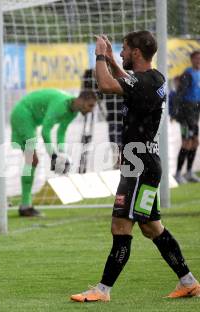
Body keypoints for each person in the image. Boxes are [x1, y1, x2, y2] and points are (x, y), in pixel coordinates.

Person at [70, 31, 200, 303]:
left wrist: (99, 55)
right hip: (145, 163)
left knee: (120, 225)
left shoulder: (141, 83)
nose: (121, 54)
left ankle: (103, 290)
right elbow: (126, 78)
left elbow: (105, 84)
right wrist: (111, 59)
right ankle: (188, 281)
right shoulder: (156, 78)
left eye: (125, 50)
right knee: (152, 227)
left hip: (139, 167)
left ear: (137, 53)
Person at [10, 89, 97, 217]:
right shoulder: (60, 105)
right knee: (32, 160)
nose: (91, 110)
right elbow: (45, 131)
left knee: (32, 161)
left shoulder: (73, 112)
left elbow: (61, 132)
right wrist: (54, 156)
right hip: (23, 114)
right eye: (90, 105)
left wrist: (62, 154)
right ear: (81, 100)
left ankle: (25, 205)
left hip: (31, 119)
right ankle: (25, 206)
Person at [174, 51, 200, 184]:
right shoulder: (188, 74)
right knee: (186, 142)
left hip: (194, 114)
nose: (198, 61)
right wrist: (177, 113)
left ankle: (189, 172)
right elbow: (180, 94)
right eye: (196, 59)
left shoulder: (199, 74)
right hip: (185, 114)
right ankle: (178, 173)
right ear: (191, 60)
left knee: (195, 141)